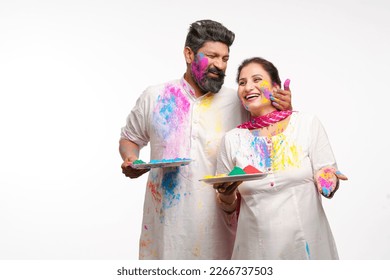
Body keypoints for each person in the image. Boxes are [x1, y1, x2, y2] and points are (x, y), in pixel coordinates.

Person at [119, 20, 292, 259]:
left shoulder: (238, 101)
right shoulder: (155, 96)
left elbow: (273, 135)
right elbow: (130, 138)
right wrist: (131, 159)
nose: (220, 65)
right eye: (212, 56)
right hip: (164, 231)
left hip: (221, 232)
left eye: (225, 58)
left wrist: (284, 109)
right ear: (189, 54)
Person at [214, 57, 348, 260]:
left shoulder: (305, 124)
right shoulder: (232, 140)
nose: (248, 87)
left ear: (276, 87)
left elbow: (326, 176)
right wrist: (226, 195)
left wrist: (328, 180)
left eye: (257, 79)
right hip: (254, 254)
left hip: (307, 249)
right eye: (242, 83)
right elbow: (227, 205)